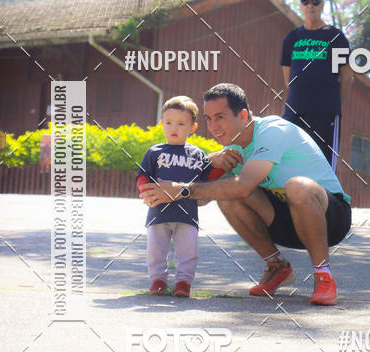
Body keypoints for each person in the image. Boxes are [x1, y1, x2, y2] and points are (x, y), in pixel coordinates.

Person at [139, 83, 352, 306]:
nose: (213, 126)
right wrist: (201, 168)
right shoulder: (235, 150)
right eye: (209, 118)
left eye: (220, 117)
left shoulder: (272, 131)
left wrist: (182, 189)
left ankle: (323, 274)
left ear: (242, 115)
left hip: (330, 219)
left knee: (297, 186)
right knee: (226, 192)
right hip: (288, 224)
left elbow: (244, 185)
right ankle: (277, 266)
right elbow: (203, 198)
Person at [136, 95, 212, 297]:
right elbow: (143, 175)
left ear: (192, 128)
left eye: (181, 123)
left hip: (187, 214)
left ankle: (183, 282)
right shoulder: (155, 151)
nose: (173, 128)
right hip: (158, 212)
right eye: (168, 123)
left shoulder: (198, 155)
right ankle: (158, 280)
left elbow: (207, 182)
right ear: (162, 124)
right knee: (155, 250)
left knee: (188, 252)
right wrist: (146, 192)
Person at [280, 0, 350, 170]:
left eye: (315, 1)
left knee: (322, 164)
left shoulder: (335, 37)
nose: (310, 5)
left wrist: (335, 104)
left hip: (324, 112)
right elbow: (288, 75)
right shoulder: (292, 37)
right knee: (288, 157)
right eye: (306, 1)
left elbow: (346, 75)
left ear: (322, 5)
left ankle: (328, 198)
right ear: (301, 5)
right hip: (295, 110)